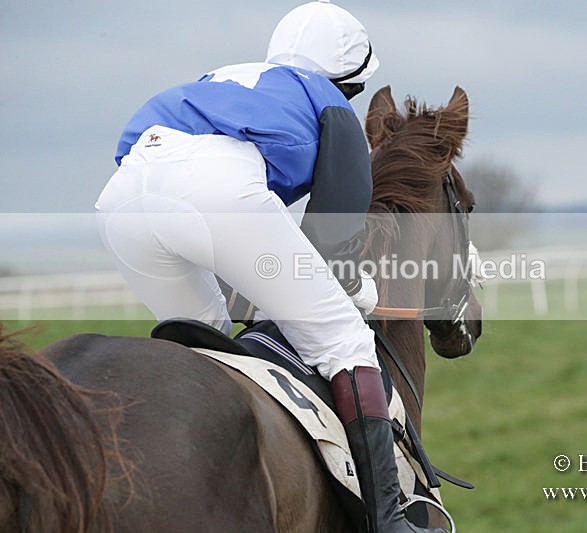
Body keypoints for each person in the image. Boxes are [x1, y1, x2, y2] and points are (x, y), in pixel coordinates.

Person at [95, 1, 444, 532]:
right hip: (213, 192)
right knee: (345, 340)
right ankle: (389, 518)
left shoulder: (224, 80)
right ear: (348, 79)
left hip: (121, 200)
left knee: (206, 348)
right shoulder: (331, 105)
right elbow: (335, 229)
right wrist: (354, 291)